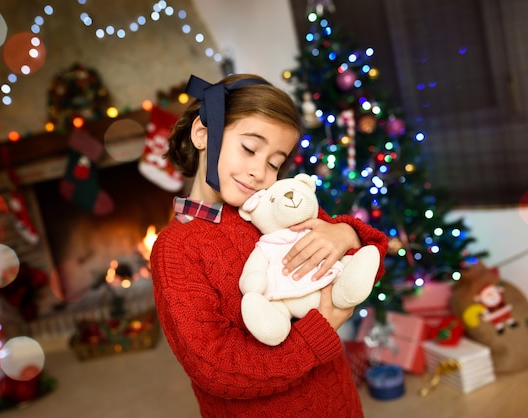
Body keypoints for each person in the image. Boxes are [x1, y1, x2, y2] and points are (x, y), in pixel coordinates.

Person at [150, 73, 388, 417]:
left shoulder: (280, 207)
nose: (260, 172)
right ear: (203, 133)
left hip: (337, 403)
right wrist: (318, 332)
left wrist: (347, 235)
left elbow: (370, 268)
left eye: (275, 163)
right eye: (249, 148)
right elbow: (215, 369)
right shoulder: (176, 249)